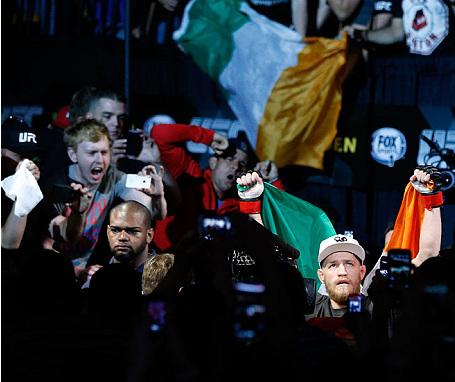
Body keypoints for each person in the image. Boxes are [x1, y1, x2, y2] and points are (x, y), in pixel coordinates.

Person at [39, 119, 166, 281]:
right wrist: (77, 272)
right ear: (73, 155)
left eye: (104, 152)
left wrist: (157, 195)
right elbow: (45, 247)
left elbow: (153, 211)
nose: (100, 160)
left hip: (89, 270)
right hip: (54, 272)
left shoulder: (113, 177)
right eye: (92, 153)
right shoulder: (56, 185)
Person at [150, 123, 281, 248]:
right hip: (164, 264)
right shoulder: (189, 173)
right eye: (230, 159)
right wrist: (209, 137)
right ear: (213, 162)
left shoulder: (242, 204)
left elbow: (281, 223)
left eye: (242, 164)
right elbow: (158, 134)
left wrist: (273, 180)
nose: (235, 166)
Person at [1, 117, 42, 251]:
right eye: (19, 156)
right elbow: (8, 243)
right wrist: (24, 192)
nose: (27, 164)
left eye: (30, 157)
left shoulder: (35, 186)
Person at [307, 234, 370, 317]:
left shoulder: (381, 311)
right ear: (322, 276)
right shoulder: (308, 313)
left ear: (361, 272)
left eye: (349, 264)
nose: (342, 272)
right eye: (333, 265)